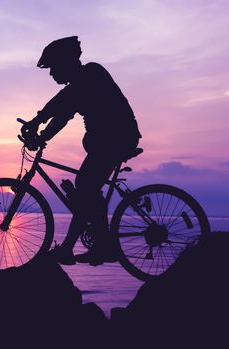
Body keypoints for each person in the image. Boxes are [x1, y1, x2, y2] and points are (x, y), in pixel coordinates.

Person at [21, 36, 142, 265]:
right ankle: (99, 242)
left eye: (53, 67)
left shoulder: (91, 74)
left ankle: (81, 247)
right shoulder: (79, 83)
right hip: (108, 140)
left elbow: (64, 105)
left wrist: (39, 127)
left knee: (86, 185)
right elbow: (62, 107)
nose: (51, 74)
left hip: (118, 138)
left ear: (66, 62)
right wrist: (39, 128)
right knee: (87, 188)